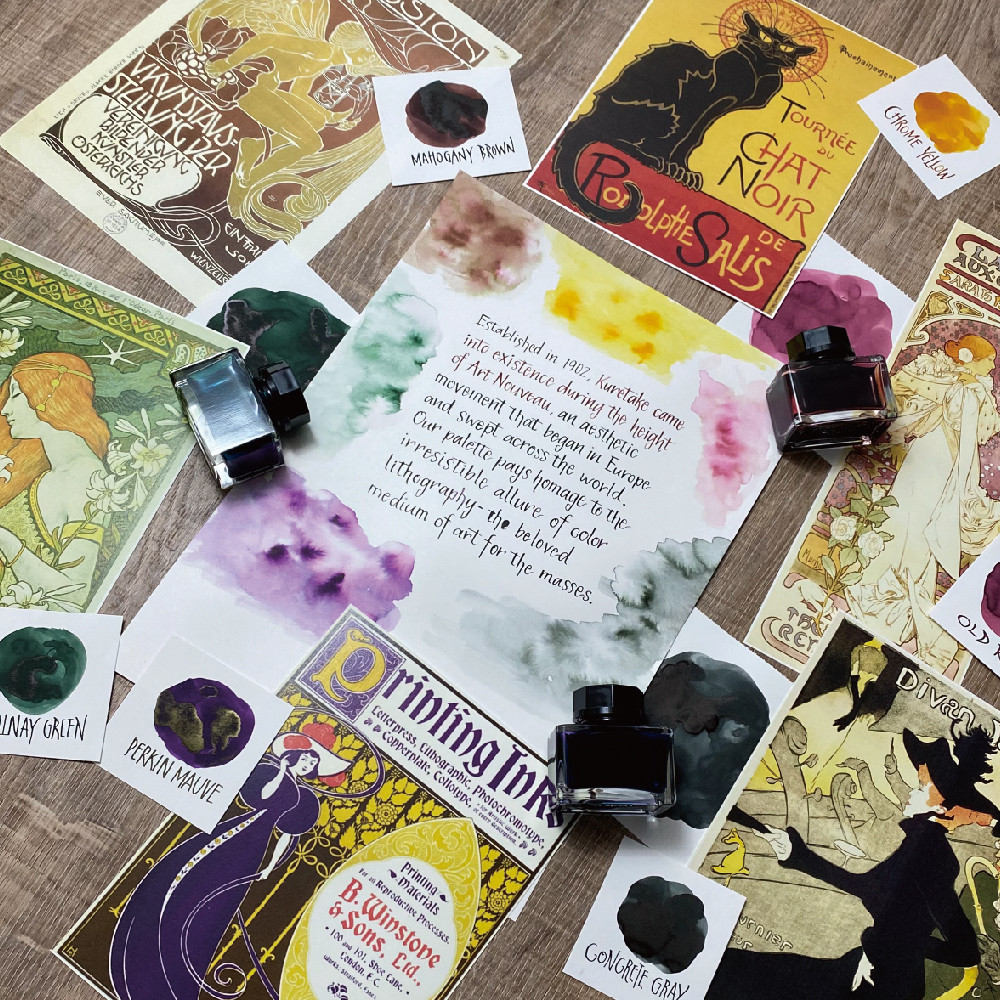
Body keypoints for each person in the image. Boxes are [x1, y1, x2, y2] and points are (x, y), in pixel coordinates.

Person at [711, 726, 999, 999]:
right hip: (874, 970)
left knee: (737, 973)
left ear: (939, 806)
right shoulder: (918, 847)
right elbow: (868, 888)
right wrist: (797, 854)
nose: (912, 791)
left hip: (884, 985)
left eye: (922, 787)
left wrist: (890, 948)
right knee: (736, 970)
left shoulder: (934, 858)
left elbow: (964, 951)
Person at [109, 725, 350, 1000]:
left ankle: (180, 976)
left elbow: (287, 835)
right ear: (293, 756)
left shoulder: (305, 799)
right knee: (191, 879)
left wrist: (270, 866)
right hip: (236, 832)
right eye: (305, 759)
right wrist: (282, 770)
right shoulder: (272, 772)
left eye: (312, 764)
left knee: (219, 904)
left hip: (256, 848)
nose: (307, 765)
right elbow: (264, 796)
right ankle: (149, 944)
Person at [854, 326, 1000, 672]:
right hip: (931, 454)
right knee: (903, 514)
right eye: (988, 360)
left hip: (941, 460)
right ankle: (881, 587)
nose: (992, 367)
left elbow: (971, 441)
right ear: (971, 359)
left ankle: (905, 604)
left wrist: (965, 482)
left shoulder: (972, 391)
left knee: (920, 525)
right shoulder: (961, 387)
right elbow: (958, 437)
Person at [0, 353, 110, 608]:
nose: (5, 409)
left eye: (16, 395)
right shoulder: (42, 472)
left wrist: (4, 540)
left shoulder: (85, 478)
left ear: (47, 395)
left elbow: (73, 598)